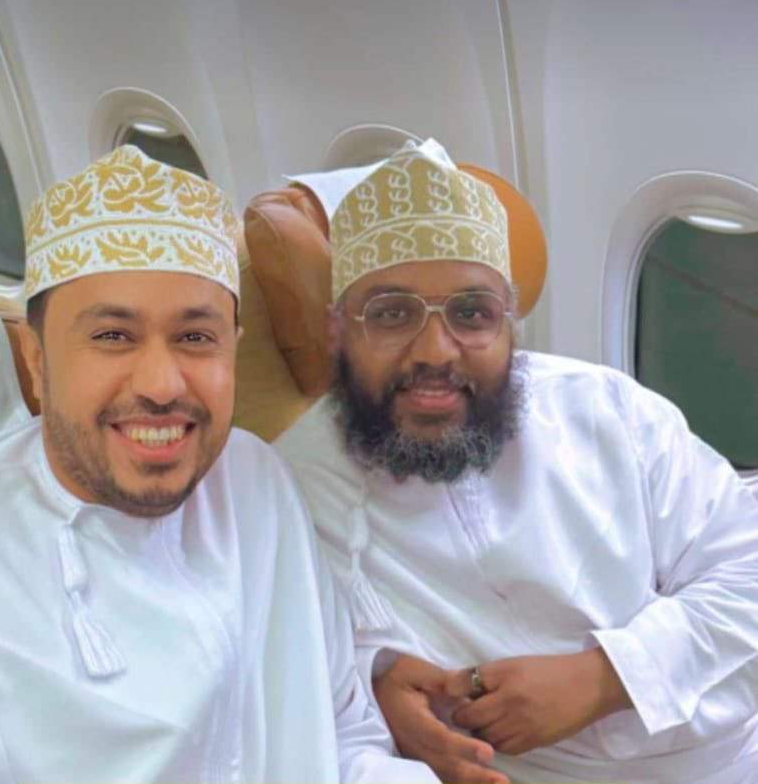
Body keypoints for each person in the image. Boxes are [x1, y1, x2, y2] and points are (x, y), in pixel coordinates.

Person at [0, 145, 438, 783]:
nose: (162, 385)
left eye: (196, 337)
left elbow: (341, 734)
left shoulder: (252, 477)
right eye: (112, 336)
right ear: (35, 359)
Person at [276, 141, 758, 783]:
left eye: (471, 313)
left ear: (510, 324)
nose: (435, 351)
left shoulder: (607, 411)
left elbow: (746, 571)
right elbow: (296, 672)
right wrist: (377, 684)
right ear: (337, 330)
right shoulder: (292, 484)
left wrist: (606, 678)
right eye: (391, 314)